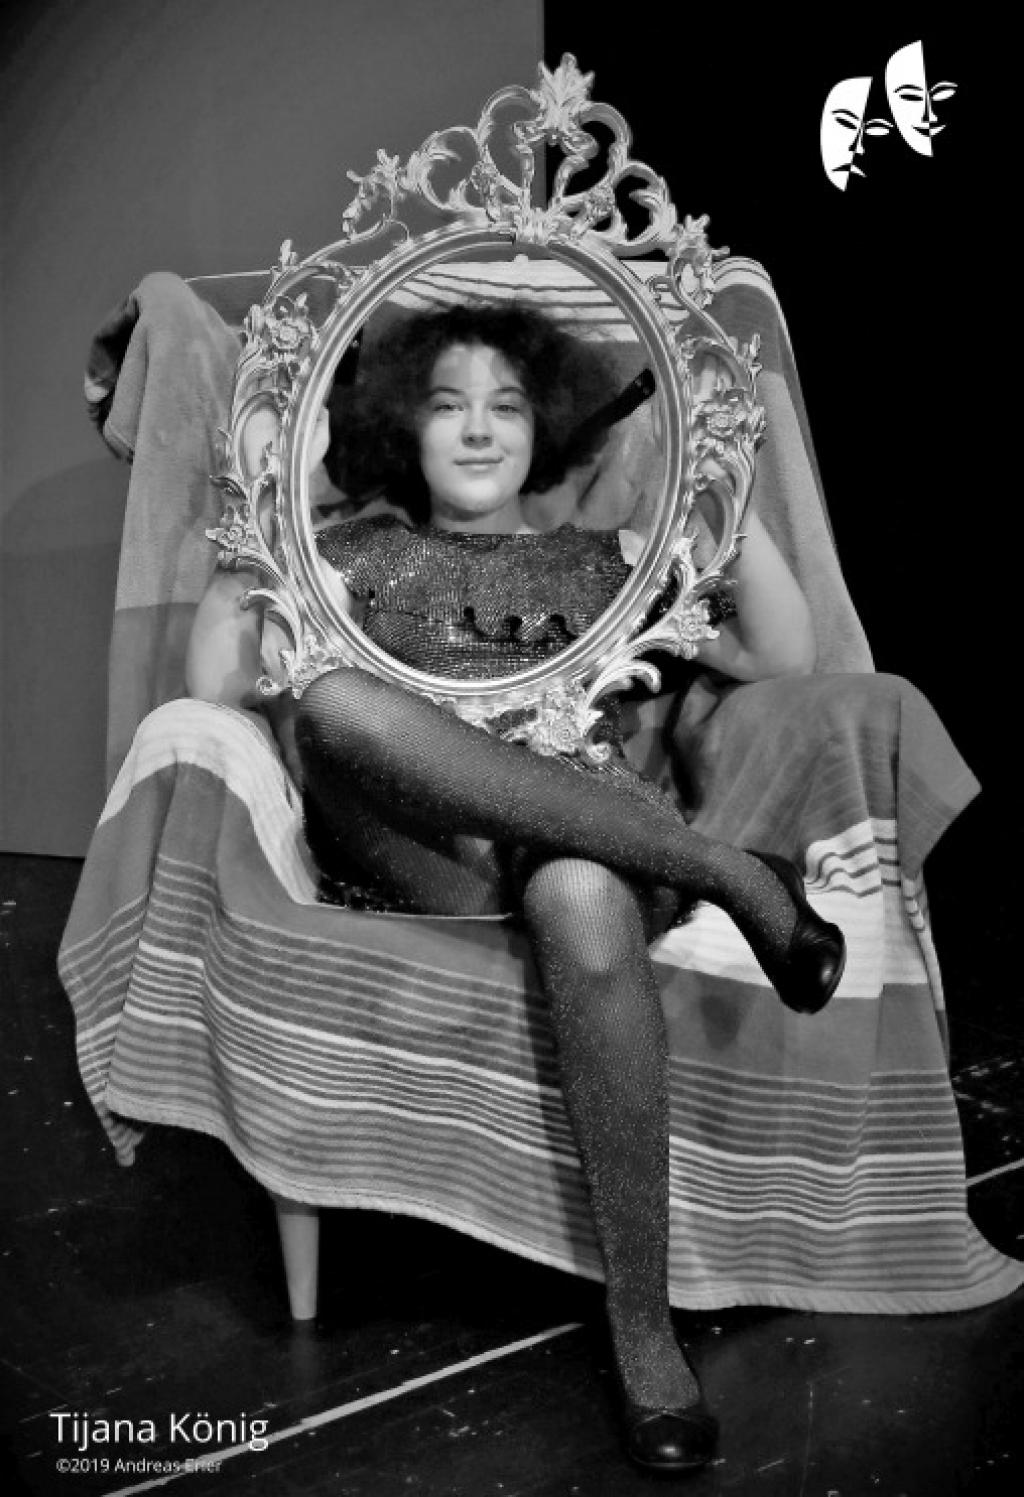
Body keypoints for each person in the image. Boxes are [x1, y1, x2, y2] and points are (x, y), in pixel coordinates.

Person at [187, 300, 845, 1476]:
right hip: (424, 855)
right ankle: (736, 879)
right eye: (448, 406)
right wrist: (263, 503)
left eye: (505, 406)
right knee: (331, 700)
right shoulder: (346, 553)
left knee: (583, 896)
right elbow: (212, 687)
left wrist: (723, 490)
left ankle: (644, 1339)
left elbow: (783, 658)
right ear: (405, 425)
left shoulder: (608, 561)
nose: (480, 430)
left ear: (544, 428)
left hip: (583, 850)